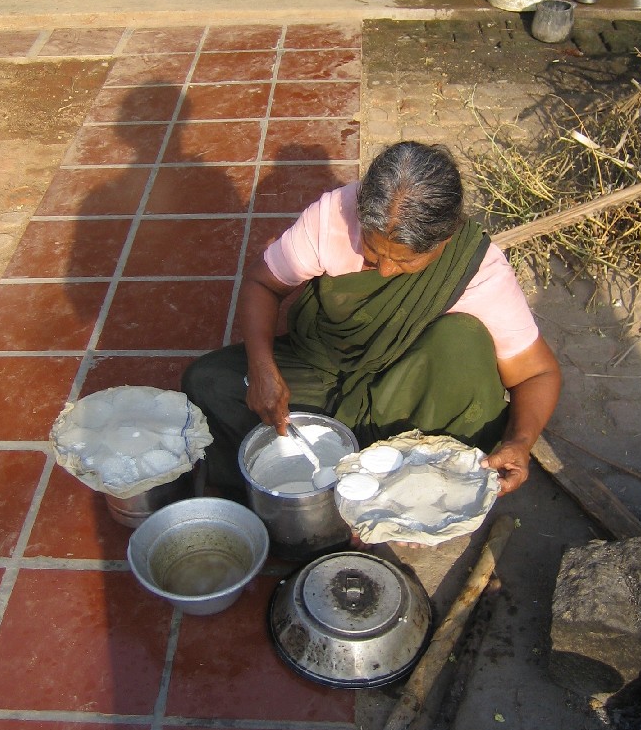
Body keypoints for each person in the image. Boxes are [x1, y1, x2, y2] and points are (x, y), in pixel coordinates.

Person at [183, 141, 561, 497]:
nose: (383, 269)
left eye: (405, 260)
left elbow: (537, 373)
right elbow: (263, 283)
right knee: (208, 382)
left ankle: (383, 485)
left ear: (445, 239)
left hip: (406, 394)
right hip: (324, 367)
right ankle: (365, 482)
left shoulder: (478, 271)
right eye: (372, 250)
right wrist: (262, 368)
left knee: (462, 339)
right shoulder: (333, 217)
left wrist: (519, 442)